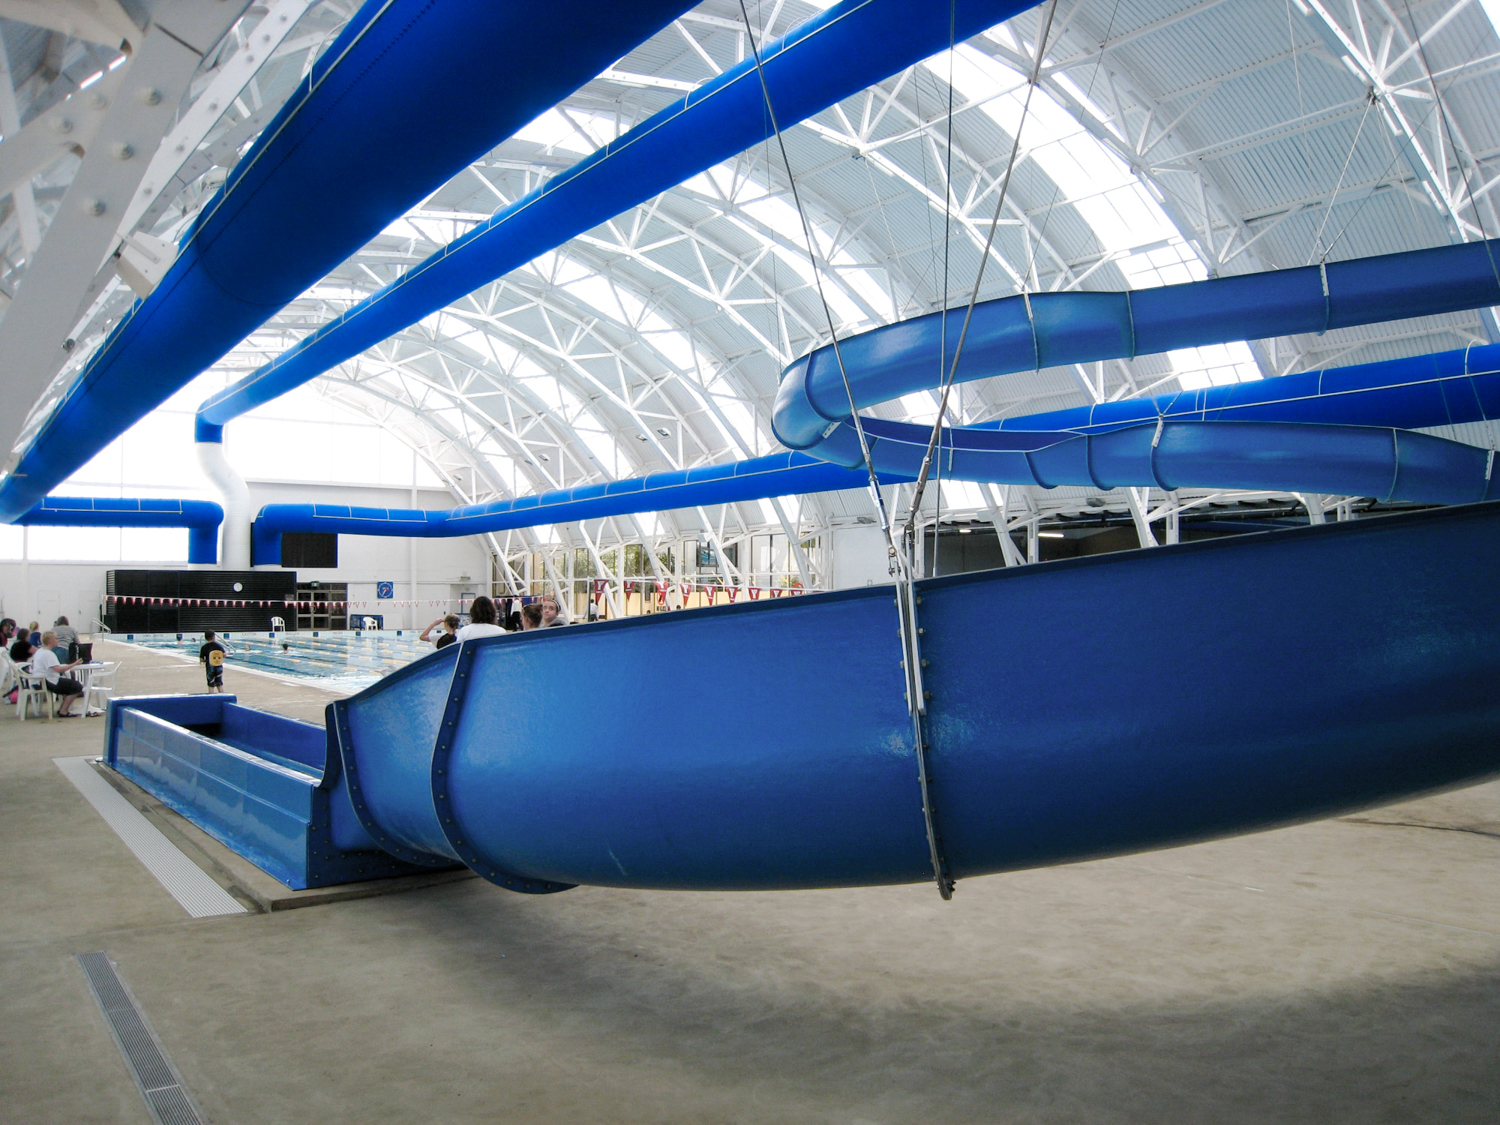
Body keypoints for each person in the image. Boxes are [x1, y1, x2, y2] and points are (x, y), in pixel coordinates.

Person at [31, 630, 86, 716]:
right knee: (77, 686)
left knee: (70, 684)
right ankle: (63, 710)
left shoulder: (40, 651)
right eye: (56, 639)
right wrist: (74, 664)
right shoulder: (48, 654)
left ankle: (63, 708)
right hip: (48, 681)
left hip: (38, 680)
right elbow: (58, 669)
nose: (57, 640)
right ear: (50, 641)